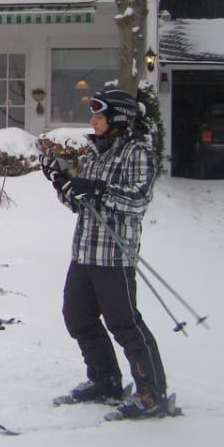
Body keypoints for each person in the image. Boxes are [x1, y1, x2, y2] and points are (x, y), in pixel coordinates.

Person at [42, 88, 170, 419]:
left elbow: (138, 200)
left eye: (98, 116)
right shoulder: (97, 153)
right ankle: (105, 380)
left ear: (118, 120)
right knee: (77, 317)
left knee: (125, 324)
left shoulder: (137, 153)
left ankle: (152, 394)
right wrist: (61, 182)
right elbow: (81, 204)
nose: (92, 121)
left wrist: (97, 188)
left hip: (114, 256)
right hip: (84, 252)